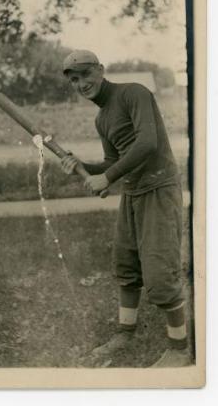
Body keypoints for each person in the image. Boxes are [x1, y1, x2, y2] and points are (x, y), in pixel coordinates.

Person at [60, 49, 191, 367]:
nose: (81, 84)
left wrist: (107, 177)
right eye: (74, 79)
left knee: (159, 274)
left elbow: (147, 143)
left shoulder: (134, 93)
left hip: (159, 190)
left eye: (86, 75)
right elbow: (113, 161)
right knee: (126, 267)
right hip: (133, 195)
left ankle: (180, 349)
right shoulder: (101, 117)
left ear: (101, 70)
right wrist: (86, 167)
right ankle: (124, 334)